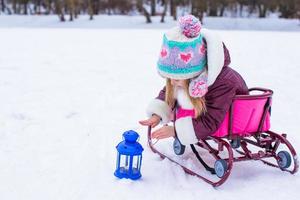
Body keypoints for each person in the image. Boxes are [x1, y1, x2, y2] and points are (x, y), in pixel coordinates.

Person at [139, 15, 248, 145]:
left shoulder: (223, 83)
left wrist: (175, 130)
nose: (172, 83)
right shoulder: (190, 78)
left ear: (195, 75)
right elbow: (169, 92)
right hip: (210, 115)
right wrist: (158, 114)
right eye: (170, 78)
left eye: (177, 79)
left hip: (230, 121)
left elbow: (211, 120)